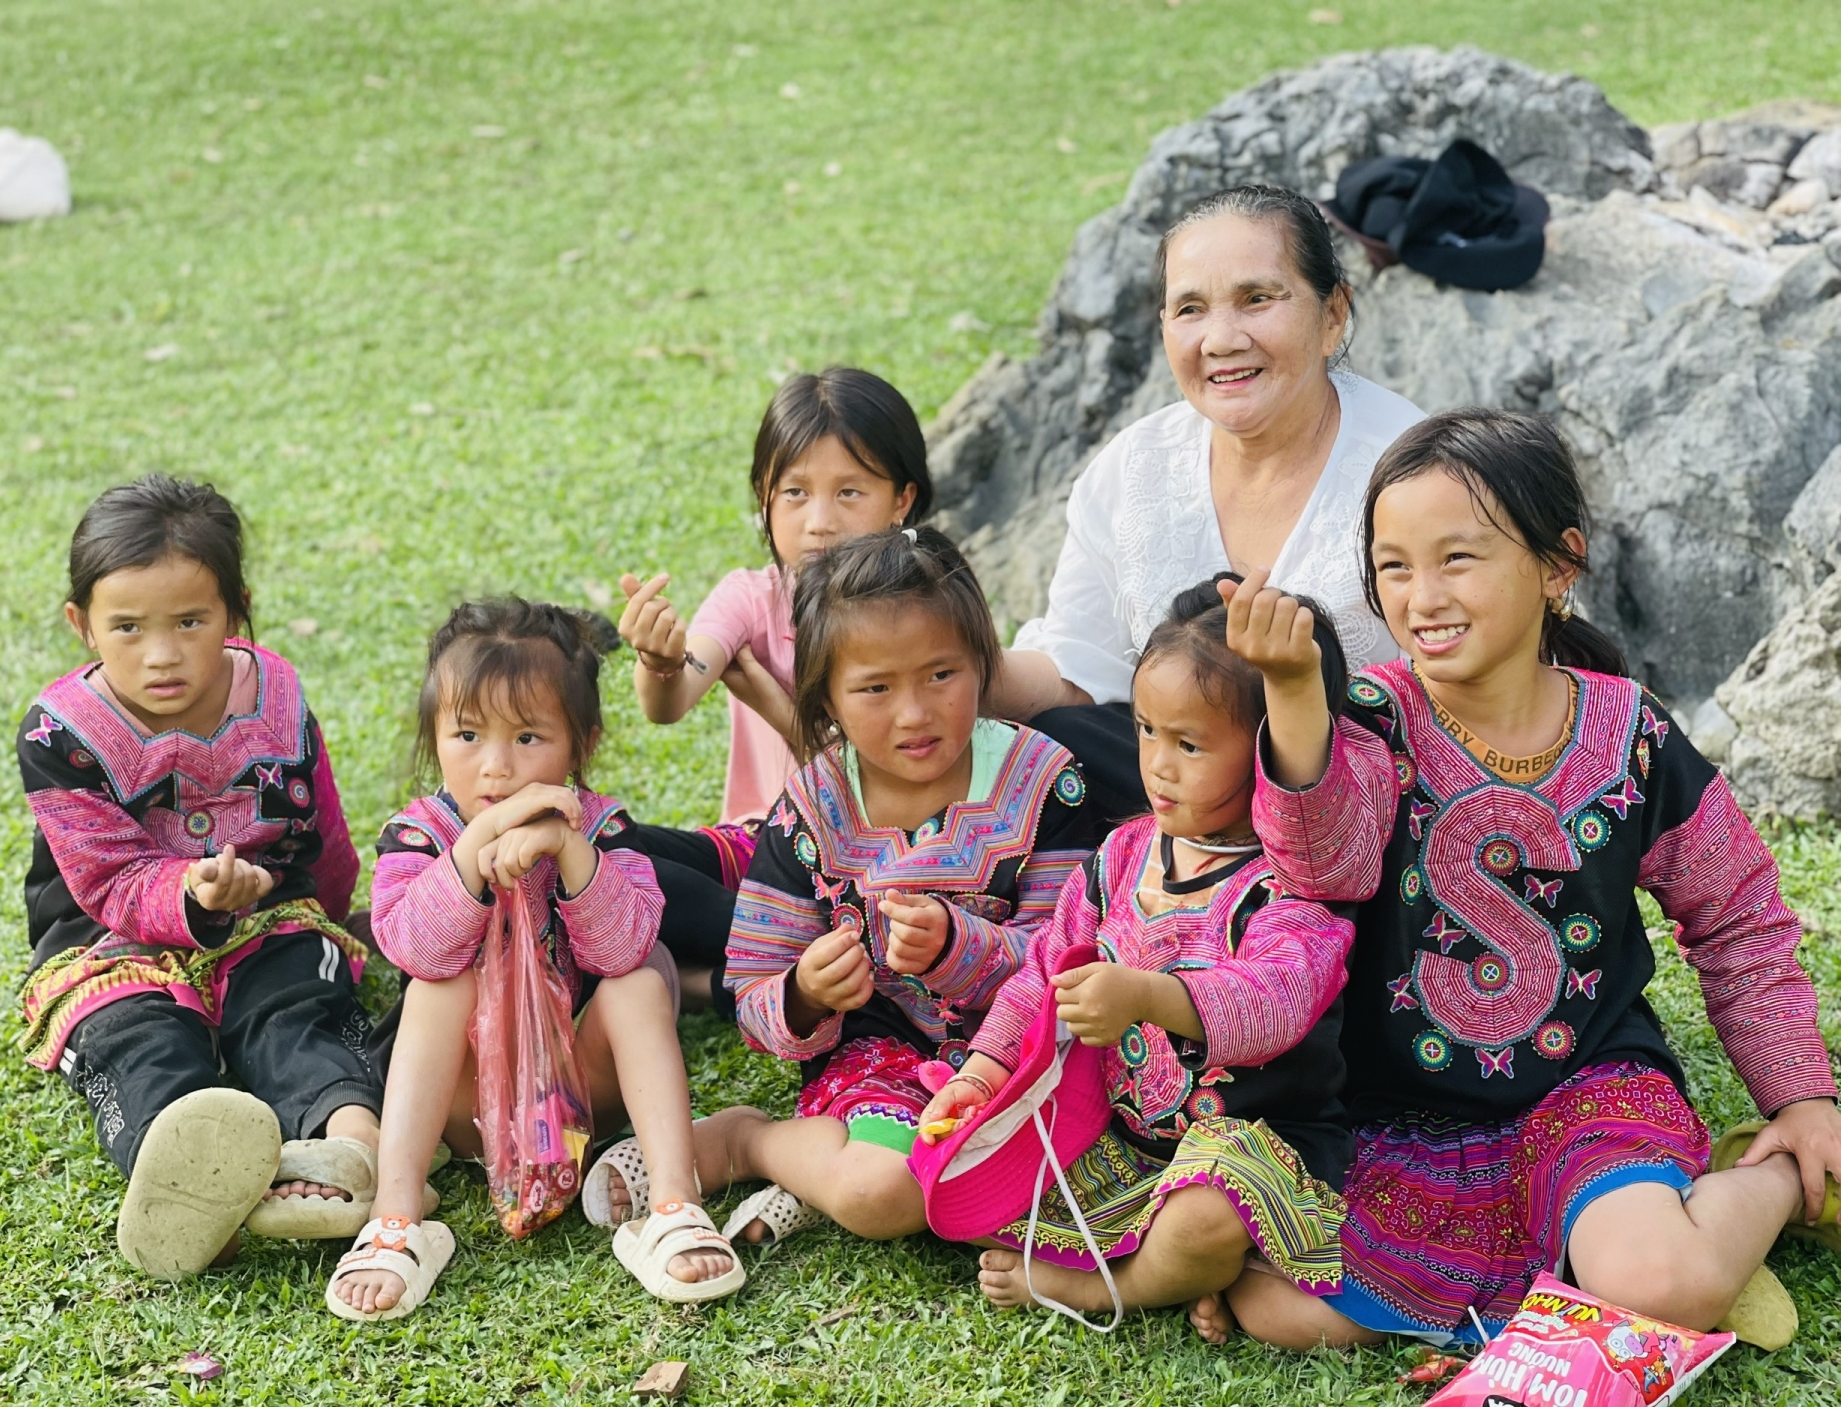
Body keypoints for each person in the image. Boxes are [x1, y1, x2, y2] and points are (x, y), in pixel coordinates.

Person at [1223, 408, 1841, 1350]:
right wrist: (1295, 694)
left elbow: (1740, 922)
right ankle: (1614, 1251)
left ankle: (1762, 1181)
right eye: (1394, 566)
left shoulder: (1631, 734)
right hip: (1398, 1119)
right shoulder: (1368, 722)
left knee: (1659, 1283)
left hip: (1588, 1093)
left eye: (1458, 559)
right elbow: (1321, 868)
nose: (1422, 596)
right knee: (1276, 1309)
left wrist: (1801, 1100)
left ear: (1559, 566)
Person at [921, 578, 1356, 1336]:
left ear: (1269, 750)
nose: (1158, 764)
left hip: (1254, 1152)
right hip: (1123, 1146)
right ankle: (1187, 1278)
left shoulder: (1295, 887)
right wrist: (982, 1072)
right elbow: (1043, 979)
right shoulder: (1123, 854)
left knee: (1207, 1222)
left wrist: (1150, 996)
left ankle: (1110, 1286)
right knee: (970, 1172)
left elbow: (1277, 1000)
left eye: (1190, 744)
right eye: (1149, 731)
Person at [326, 598, 761, 1320]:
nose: (495, 767)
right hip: (464, 1107)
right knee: (440, 984)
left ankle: (673, 1205)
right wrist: (476, 845)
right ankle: (397, 1222)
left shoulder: (604, 828)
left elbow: (623, 944)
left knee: (639, 977)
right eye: (467, 735)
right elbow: (410, 946)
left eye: (528, 737)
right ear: (435, 739)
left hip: (580, 1106)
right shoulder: (420, 835)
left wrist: (571, 851)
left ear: (580, 744)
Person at [17, 475, 384, 1278]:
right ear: (82, 625)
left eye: (191, 621)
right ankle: (186, 1178)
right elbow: (106, 876)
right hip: (108, 938)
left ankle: (356, 1151)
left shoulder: (276, 695)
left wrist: (336, 916)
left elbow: (319, 823)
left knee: (299, 1008)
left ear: (235, 610)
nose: (162, 654)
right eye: (128, 627)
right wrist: (191, 894)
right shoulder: (60, 736)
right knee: (135, 1037)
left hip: (267, 914)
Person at [718, 528, 1104, 1245]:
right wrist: (806, 990)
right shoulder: (812, 808)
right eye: (875, 688)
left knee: (1065, 1185)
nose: (915, 712)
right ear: (826, 697)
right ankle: (748, 1143)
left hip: (1020, 1061)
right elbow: (750, 982)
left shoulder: (1046, 781)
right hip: (882, 1062)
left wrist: (960, 946)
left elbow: (1072, 954)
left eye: (940, 675)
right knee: (880, 1193)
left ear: (982, 664)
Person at [995, 184, 1424, 822]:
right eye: (1190, 309)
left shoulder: (1413, 472)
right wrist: (943, 667)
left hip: (1369, 806)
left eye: (1257, 299)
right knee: (1053, 746)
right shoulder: (1134, 467)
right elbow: (1077, 674)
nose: (1221, 340)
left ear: (1333, 315)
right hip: (1184, 801)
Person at [615, 368, 934, 1011]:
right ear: (764, 496)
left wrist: (774, 705)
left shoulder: (925, 608)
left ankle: (727, 976)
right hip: (762, 843)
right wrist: (660, 660)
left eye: (849, 492)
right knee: (603, 846)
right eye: (794, 493)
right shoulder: (752, 597)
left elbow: (888, 784)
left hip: (879, 863)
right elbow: (672, 699)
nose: (819, 522)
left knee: (852, 936)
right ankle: (738, 970)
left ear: (901, 499)